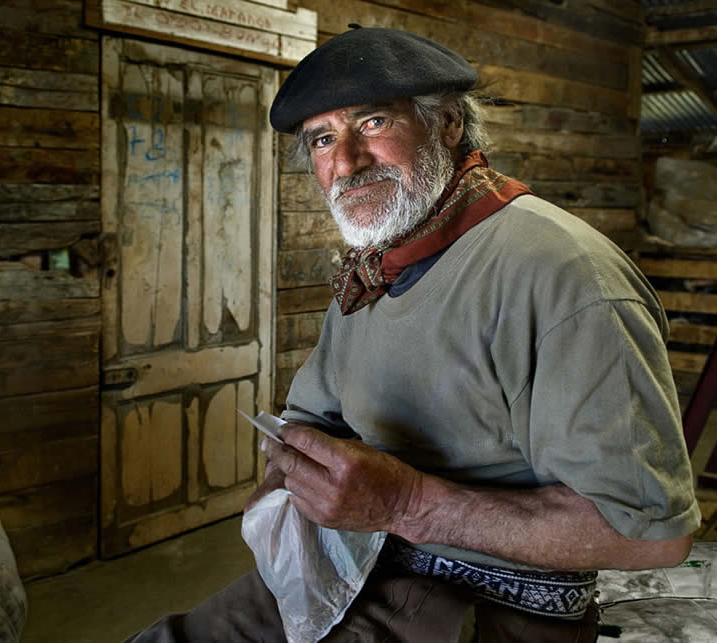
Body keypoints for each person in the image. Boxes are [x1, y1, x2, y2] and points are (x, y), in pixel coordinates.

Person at [128, 26, 700, 642]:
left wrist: (405, 505)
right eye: (323, 139)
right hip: (351, 567)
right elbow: (315, 414)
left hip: (487, 604)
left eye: (373, 123)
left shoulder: (564, 274)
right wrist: (289, 473)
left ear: (449, 124)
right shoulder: (379, 262)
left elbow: (652, 537)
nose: (346, 162)